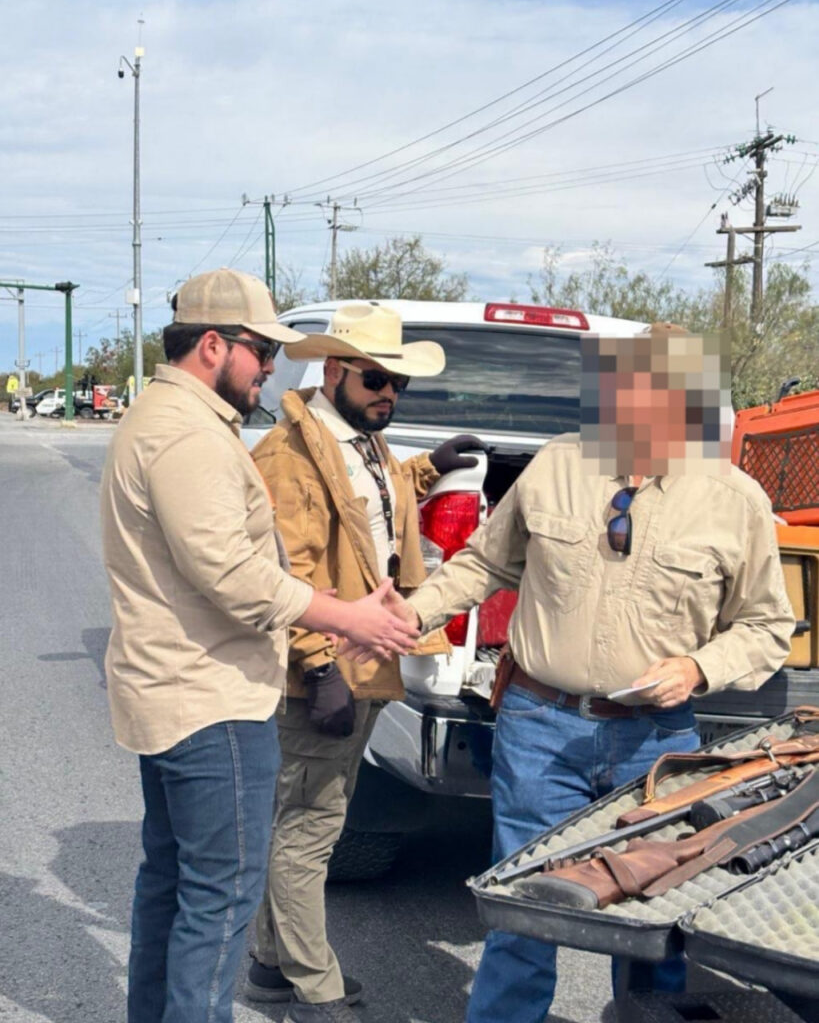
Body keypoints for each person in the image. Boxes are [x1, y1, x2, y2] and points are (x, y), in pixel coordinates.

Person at [388, 324, 795, 1023]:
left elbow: (765, 626)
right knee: (522, 911)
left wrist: (698, 669)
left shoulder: (734, 500)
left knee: (653, 920)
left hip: (656, 744)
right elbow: (484, 563)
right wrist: (409, 614)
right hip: (537, 726)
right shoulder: (556, 465)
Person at [99, 269, 418, 1023]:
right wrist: (348, 621)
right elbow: (236, 577)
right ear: (214, 345)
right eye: (261, 351)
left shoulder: (166, 418)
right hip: (210, 702)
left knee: (174, 885)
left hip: (175, 692)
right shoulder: (188, 436)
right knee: (219, 899)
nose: (272, 367)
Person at [245, 302, 487, 1023]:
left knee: (311, 820)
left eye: (398, 385)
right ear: (334, 370)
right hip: (325, 671)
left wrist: (426, 470)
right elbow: (289, 569)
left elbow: (366, 511)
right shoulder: (289, 459)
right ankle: (314, 988)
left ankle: (266, 967)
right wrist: (318, 670)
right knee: (308, 831)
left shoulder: (355, 441)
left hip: (366, 663)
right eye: (377, 379)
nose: (389, 394)